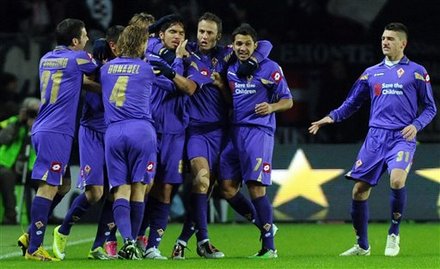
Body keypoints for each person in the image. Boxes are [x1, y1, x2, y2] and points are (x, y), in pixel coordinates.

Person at [308, 22, 437, 257]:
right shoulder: (371, 72)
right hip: (375, 137)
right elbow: (352, 103)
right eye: (383, 38)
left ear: (403, 43)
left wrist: (416, 125)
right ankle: (362, 245)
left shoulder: (417, 71)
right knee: (358, 191)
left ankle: (394, 233)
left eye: (390, 39)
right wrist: (331, 117)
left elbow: (430, 108)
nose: (385, 42)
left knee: (397, 181)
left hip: (402, 136)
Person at [168, 12, 273, 260]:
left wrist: (253, 61)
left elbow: (266, 45)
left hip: (223, 131)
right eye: (201, 31)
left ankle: (185, 240)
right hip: (196, 132)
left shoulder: (227, 54)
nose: (204, 36)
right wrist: (177, 59)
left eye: (209, 33)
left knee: (224, 188)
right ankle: (203, 240)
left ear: (218, 36)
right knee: (202, 181)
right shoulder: (188, 52)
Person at [16, 18, 98, 262]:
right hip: (56, 131)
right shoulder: (78, 58)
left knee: (62, 185)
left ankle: (31, 235)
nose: (87, 41)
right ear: (75, 41)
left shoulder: (47, 58)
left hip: (45, 127)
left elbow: (74, 80)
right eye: (84, 37)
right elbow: (101, 73)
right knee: (49, 186)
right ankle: (35, 250)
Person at [52, 25, 125, 261]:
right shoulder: (94, 60)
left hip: (117, 131)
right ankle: (62, 231)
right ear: (114, 45)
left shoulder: (130, 63)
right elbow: (82, 81)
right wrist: (107, 87)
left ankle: (98, 246)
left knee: (116, 191)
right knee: (94, 193)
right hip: (92, 130)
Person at [219, 23, 292, 259]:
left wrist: (271, 106)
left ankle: (269, 248)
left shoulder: (270, 68)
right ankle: (264, 224)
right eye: (239, 44)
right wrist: (221, 87)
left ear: (255, 45)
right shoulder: (230, 68)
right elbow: (231, 100)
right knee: (227, 188)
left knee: (255, 187)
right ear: (233, 45)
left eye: (247, 44)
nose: (242, 48)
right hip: (235, 132)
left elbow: (287, 100)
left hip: (259, 132)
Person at [137, 14, 197, 260]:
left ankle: (152, 245)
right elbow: (133, 37)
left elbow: (186, 87)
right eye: (172, 31)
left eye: (181, 33)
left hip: (175, 133)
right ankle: (132, 240)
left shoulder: (188, 60)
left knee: (166, 188)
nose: (177, 37)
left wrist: (175, 67)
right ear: (160, 35)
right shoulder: (150, 53)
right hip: (150, 128)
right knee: (143, 186)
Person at [100, 24, 157, 260]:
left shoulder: (105, 70)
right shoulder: (147, 69)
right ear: (142, 44)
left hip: (113, 132)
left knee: (120, 190)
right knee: (139, 188)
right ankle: (135, 241)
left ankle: (129, 241)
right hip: (141, 130)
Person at [0, 98, 40, 225]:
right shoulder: (13, 122)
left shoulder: (40, 125)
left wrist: (35, 128)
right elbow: (4, 140)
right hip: (8, 165)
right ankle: (10, 215)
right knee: (6, 176)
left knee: (43, 181)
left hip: (30, 167)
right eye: (31, 111)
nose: (32, 114)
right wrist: (18, 122)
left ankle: (43, 216)